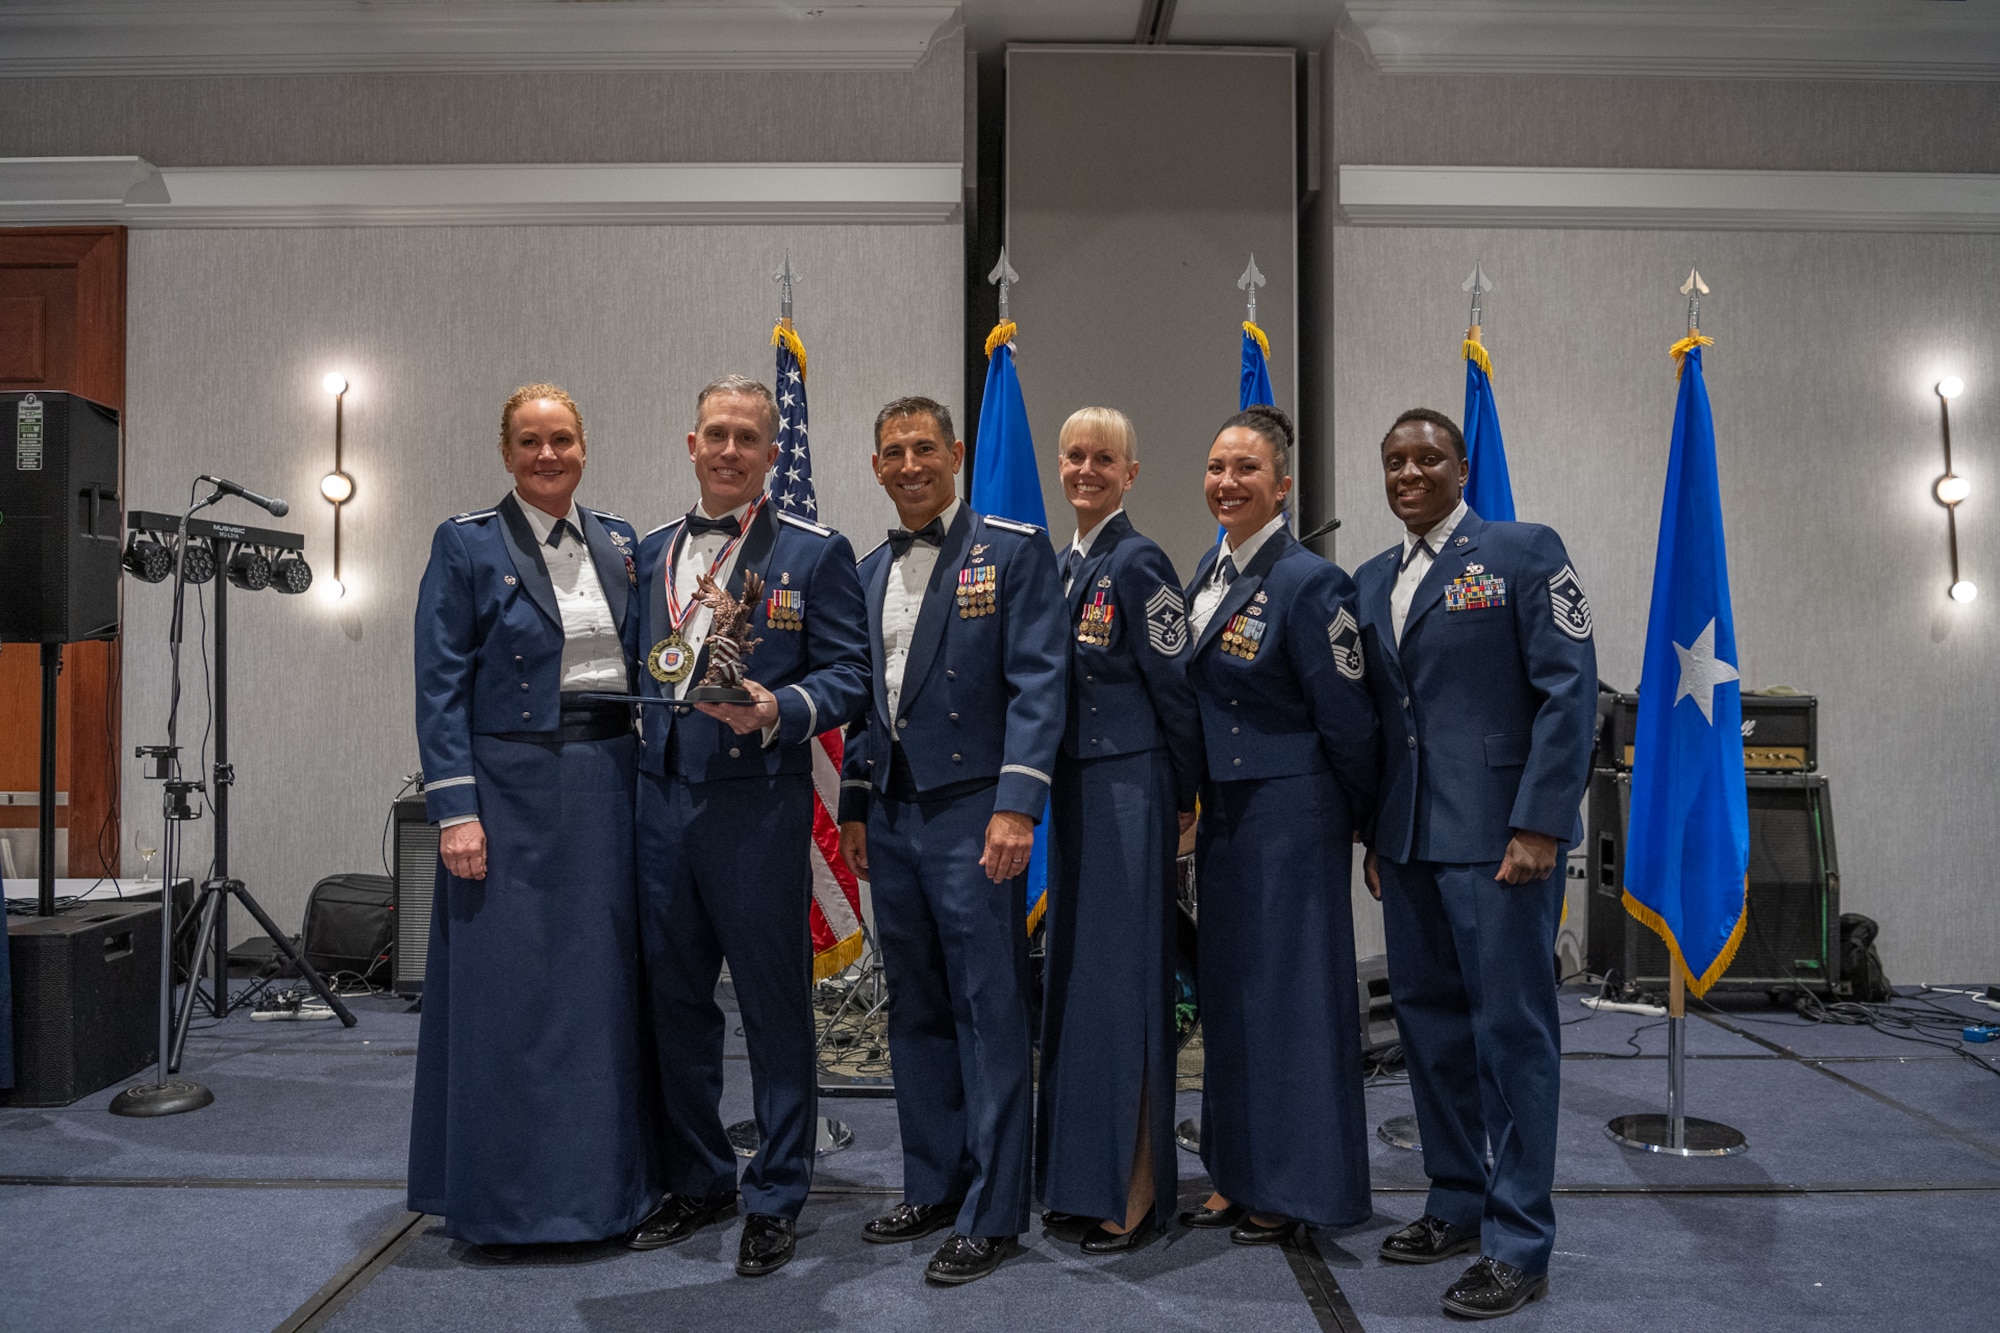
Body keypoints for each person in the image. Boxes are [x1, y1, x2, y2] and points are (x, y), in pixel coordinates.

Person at [622, 375, 870, 1277]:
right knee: (675, 1006)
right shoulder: (646, 552)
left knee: (772, 1011)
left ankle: (775, 1192)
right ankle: (697, 1178)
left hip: (758, 807)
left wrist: (780, 703)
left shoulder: (813, 551)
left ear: (773, 453)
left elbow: (853, 674)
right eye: (715, 434)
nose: (730, 450)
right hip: (660, 804)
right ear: (690, 443)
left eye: (748, 438)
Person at [1355, 407, 1596, 1320]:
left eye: (1427, 457)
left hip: (1503, 845)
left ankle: (1519, 1239)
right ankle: (1455, 1199)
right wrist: (1379, 833)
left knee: (1512, 1038)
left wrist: (1540, 822)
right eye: (1393, 461)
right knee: (1428, 1033)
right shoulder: (1374, 576)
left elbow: (1569, 691)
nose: (1409, 472)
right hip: (1412, 843)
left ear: (1463, 465)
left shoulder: (1525, 550)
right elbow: (1385, 720)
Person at [410, 382, 657, 1260]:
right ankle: (509, 1204)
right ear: (505, 453)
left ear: (584, 446)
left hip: (608, 785)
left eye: (561, 439)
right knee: (510, 1002)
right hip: (508, 792)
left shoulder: (622, 542)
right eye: (529, 441)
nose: (547, 455)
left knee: (601, 1001)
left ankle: (610, 1193)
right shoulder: (466, 543)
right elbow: (438, 686)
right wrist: (455, 814)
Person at [835, 396, 1066, 1286]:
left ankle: (996, 1206)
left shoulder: (1011, 552)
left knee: (988, 1008)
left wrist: (1017, 807)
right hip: (891, 816)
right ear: (877, 466)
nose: (908, 463)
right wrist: (855, 802)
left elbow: (1040, 684)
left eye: (923, 446)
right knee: (917, 1008)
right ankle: (933, 1182)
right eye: (892, 451)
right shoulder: (862, 571)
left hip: (976, 813)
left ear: (957, 452)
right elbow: (867, 707)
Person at [1176, 404, 1379, 1246]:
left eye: (1247, 470)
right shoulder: (1206, 571)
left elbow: (1351, 721)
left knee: (1290, 1004)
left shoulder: (1310, 582)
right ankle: (1235, 1169)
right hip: (1226, 818)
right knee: (1230, 1000)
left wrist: (1366, 826)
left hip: (1293, 818)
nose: (1228, 482)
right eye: (1219, 467)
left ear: (1284, 485)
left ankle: (1293, 1186)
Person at [1034, 407, 1202, 1253]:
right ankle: (1080, 1174)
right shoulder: (1063, 566)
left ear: (1132, 473)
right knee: (1078, 990)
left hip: (1131, 791)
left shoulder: (1141, 564)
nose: (1087, 469)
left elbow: (1176, 692)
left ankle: (1136, 1191)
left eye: (1105, 457)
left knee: (1128, 989)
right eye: (1074, 455)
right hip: (1072, 793)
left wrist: (1180, 800)